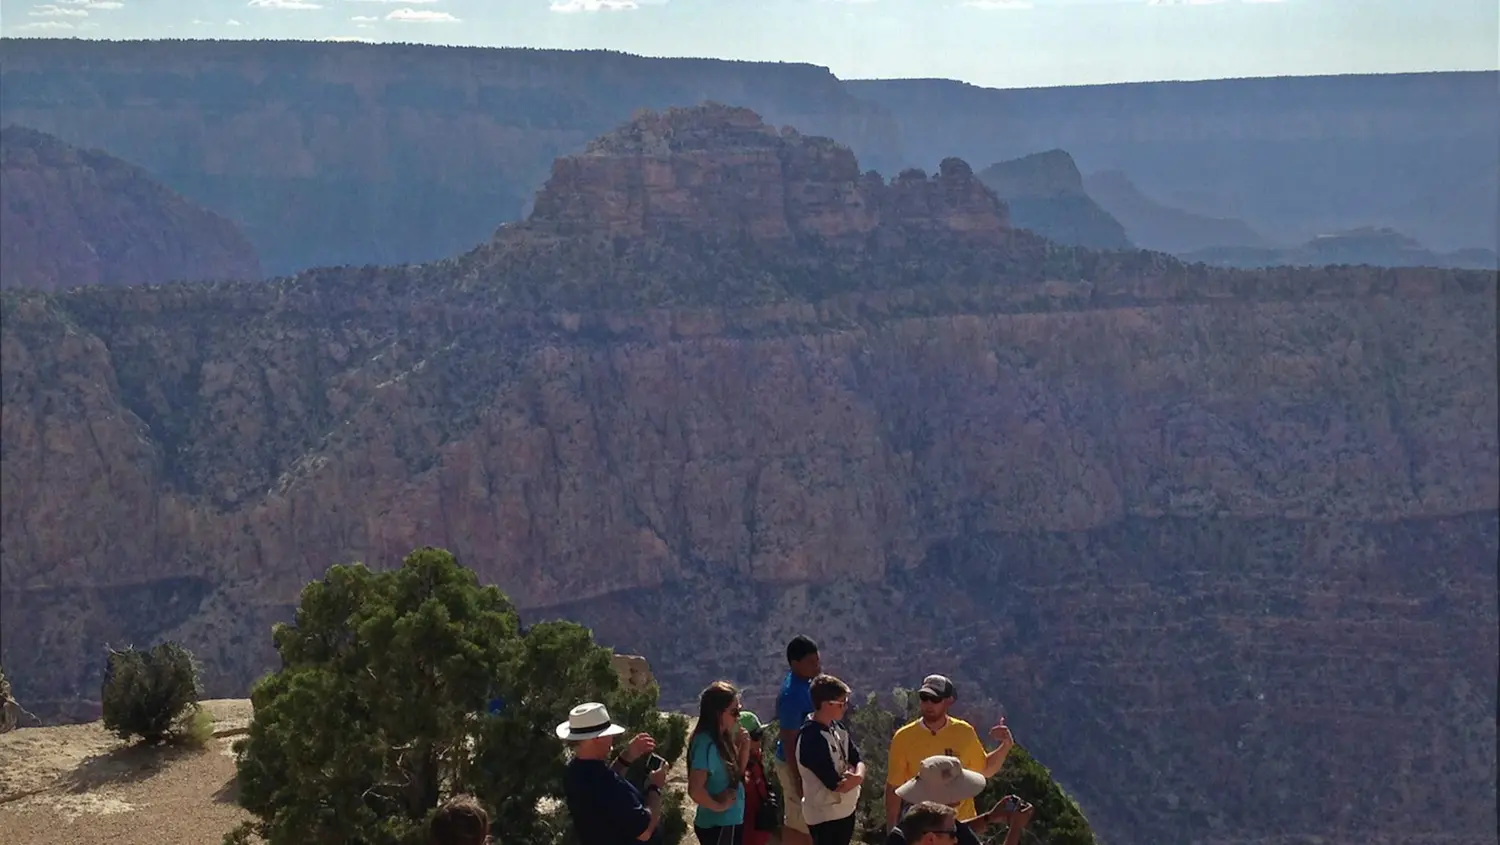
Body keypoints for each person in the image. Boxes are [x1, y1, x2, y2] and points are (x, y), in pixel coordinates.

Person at [884, 675, 1014, 829]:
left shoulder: (964, 732)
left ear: (949, 701)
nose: (928, 704)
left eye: (935, 699)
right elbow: (894, 786)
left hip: (963, 823)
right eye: (924, 697)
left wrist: (1006, 745)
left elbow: (984, 769)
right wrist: (892, 828)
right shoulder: (903, 737)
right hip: (923, 827)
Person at [559, 701, 670, 845]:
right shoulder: (604, 781)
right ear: (597, 739)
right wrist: (655, 787)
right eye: (608, 734)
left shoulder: (575, 771)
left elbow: (605, 794)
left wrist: (626, 757)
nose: (612, 738)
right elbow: (644, 831)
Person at [794, 674, 864, 845]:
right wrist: (854, 779)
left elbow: (857, 758)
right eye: (842, 703)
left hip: (845, 810)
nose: (845, 707)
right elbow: (835, 784)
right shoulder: (811, 738)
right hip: (825, 816)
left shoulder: (837, 728)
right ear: (826, 704)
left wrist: (859, 776)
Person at [687, 681, 751, 845]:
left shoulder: (723, 738)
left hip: (731, 821)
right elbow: (695, 790)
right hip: (718, 824)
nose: (738, 717)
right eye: (734, 711)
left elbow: (735, 778)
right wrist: (718, 806)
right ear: (718, 713)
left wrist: (743, 750)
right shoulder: (705, 744)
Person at [774, 635, 822, 845]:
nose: (817, 666)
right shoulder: (792, 694)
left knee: (805, 821)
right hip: (792, 762)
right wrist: (797, 777)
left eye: (817, 660)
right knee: (797, 822)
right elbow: (789, 738)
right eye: (812, 662)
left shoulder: (804, 684)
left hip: (804, 763)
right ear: (795, 663)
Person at [886, 796, 1035, 845]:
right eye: (952, 834)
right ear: (930, 839)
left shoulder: (906, 830)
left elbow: (962, 832)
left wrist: (990, 817)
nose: (956, 840)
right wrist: (1016, 827)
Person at [738, 710, 775, 845]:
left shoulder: (757, 760)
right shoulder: (736, 768)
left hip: (760, 832)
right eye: (756, 736)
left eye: (761, 735)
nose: (760, 740)